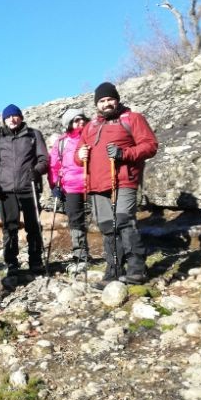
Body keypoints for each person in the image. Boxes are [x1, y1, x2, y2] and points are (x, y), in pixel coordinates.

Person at [76, 82, 158, 285]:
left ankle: (137, 270)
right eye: (102, 101)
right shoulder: (90, 126)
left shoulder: (132, 118)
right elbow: (78, 157)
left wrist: (124, 153)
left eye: (110, 99)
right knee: (107, 227)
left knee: (124, 221)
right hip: (96, 185)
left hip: (123, 179)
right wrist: (79, 155)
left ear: (117, 100)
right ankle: (113, 271)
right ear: (97, 104)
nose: (106, 104)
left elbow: (150, 145)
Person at [0, 104, 49, 278]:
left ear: (21, 117)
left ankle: (36, 261)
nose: (12, 119)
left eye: (15, 116)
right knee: (9, 228)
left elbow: (44, 159)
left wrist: (37, 171)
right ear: (4, 120)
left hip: (29, 187)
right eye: (8, 117)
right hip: (6, 190)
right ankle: (11, 264)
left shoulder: (33, 135)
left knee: (33, 226)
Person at [48, 108, 91, 273]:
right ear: (68, 123)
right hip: (71, 187)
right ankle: (80, 256)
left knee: (102, 219)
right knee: (75, 221)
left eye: (82, 118)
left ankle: (113, 254)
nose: (81, 122)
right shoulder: (61, 142)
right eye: (76, 120)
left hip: (93, 184)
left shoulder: (92, 136)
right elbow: (53, 166)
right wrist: (54, 186)